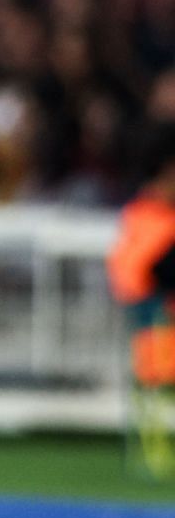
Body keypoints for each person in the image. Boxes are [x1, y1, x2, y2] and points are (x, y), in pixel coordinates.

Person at [109, 124, 175, 480]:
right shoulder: (156, 217)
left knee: (154, 384)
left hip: (146, 306)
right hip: (156, 308)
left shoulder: (141, 213)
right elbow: (153, 268)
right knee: (158, 382)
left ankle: (155, 453)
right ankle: (157, 455)